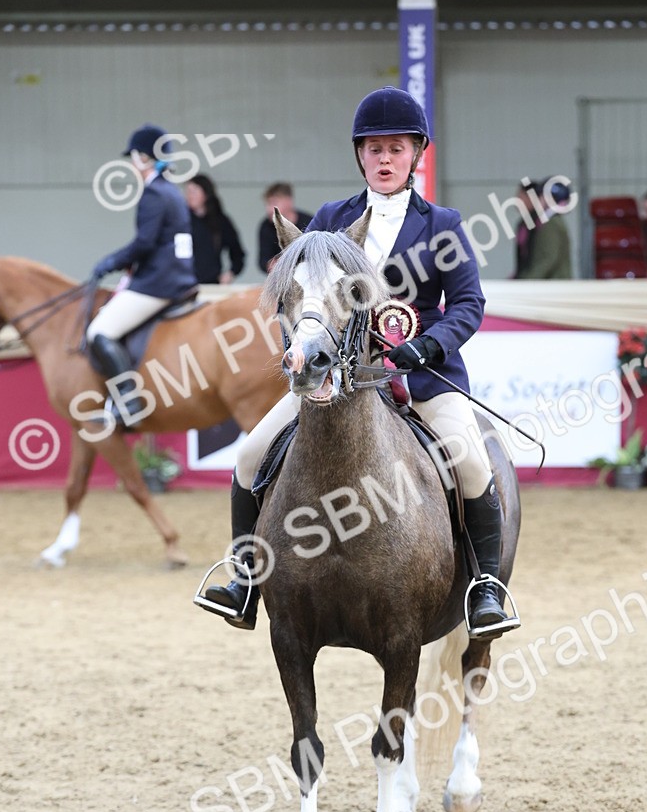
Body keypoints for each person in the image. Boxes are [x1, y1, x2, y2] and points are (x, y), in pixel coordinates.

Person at [200, 85, 519, 641]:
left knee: (471, 462)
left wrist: (430, 344)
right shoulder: (329, 219)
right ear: (360, 155)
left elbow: (469, 304)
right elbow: (301, 294)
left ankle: (485, 589)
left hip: (419, 376)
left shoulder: (442, 224)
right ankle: (245, 580)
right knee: (251, 455)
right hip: (332, 378)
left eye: (396, 148)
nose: (385, 159)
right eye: (374, 149)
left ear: (416, 153)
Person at [87, 123, 197, 421]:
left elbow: (145, 243)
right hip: (176, 276)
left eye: (134, 157)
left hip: (159, 283)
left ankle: (129, 402)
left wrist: (111, 261)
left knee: (99, 331)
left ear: (143, 157)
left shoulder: (153, 194)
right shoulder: (172, 192)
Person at [184, 174, 245, 284]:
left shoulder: (220, 221)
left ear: (206, 193)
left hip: (213, 283)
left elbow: (237, 253)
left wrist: (231, 273)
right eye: (188, 192)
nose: (190, 196)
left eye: (194, 191)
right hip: (186, 283)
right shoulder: (181, 220)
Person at [513, 177, 573, 280]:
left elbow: (547, 259)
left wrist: (526, 282)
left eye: (541, 196)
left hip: (552, 287)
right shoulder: (545, 222)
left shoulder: (551, 224)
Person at [257, 183, 313, 274]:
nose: (269, 209)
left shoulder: (309, 222)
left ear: (289, 201)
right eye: (267, 204)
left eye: (274, 203)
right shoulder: (265, 226)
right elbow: (263, 259)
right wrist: (271, 265)